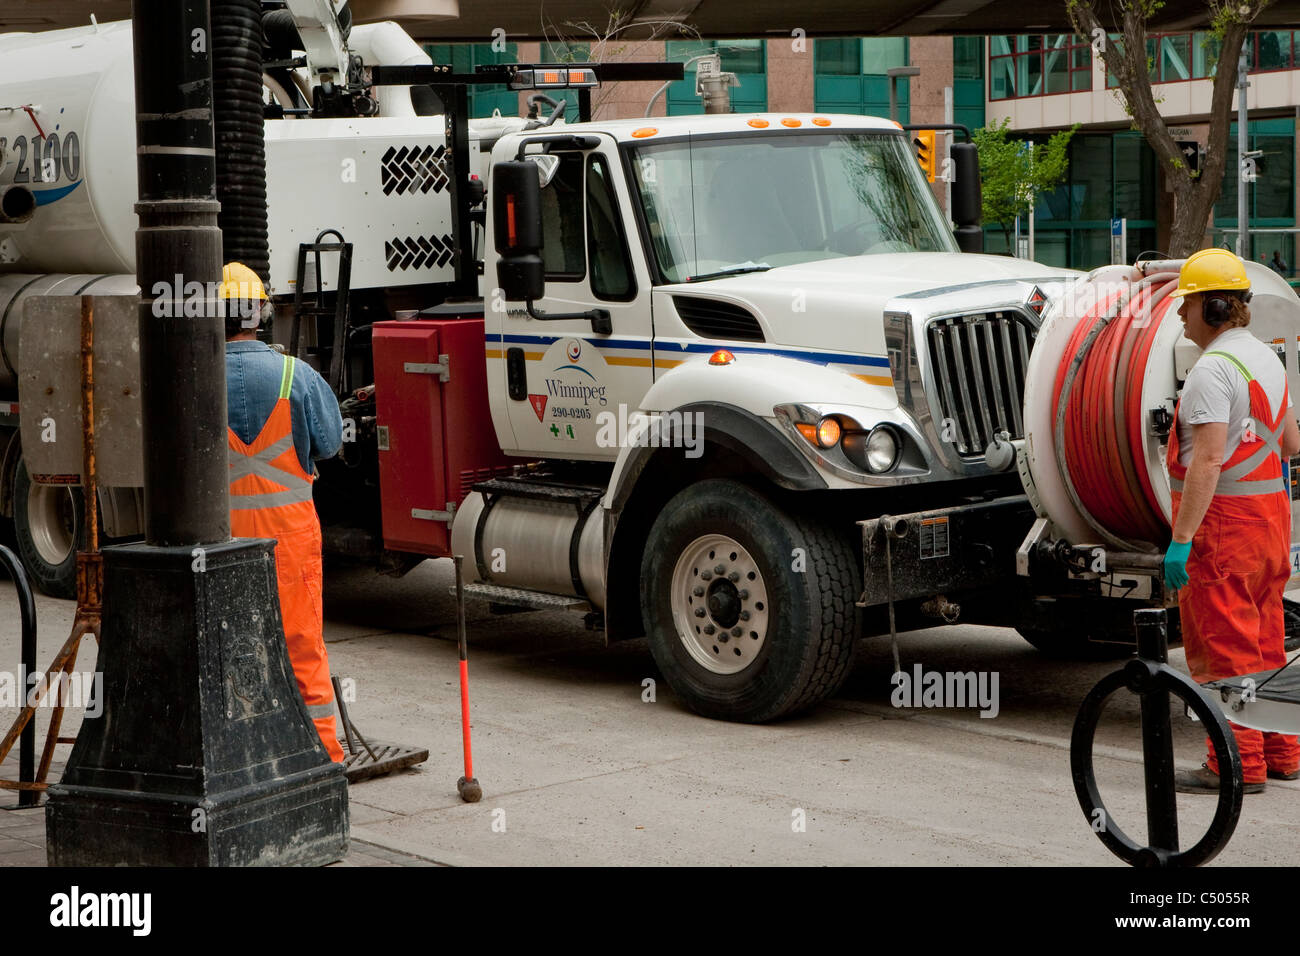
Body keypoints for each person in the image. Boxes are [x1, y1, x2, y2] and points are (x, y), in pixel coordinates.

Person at [1163, 247, 1300, 793]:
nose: (1179, 315)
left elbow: (1209, 462)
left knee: (1225, 644)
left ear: (1213, 308)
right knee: (1266, 640)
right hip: (1270, 524)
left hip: (1224, 530)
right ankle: (1283, 752)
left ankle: (1235, 764)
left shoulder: (1212, 371)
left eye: (1187, 305)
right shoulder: (1268, 358)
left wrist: (1180, 540)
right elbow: (1290, 443)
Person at [222, 261, 345, 762]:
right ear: (261, 313)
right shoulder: (296, 374)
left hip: (220, 542)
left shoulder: (190, 378)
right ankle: (323, 762)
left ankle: (246, 758)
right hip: (289, 539)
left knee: (233, 650)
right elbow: (331, 444)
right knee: (302, 646)